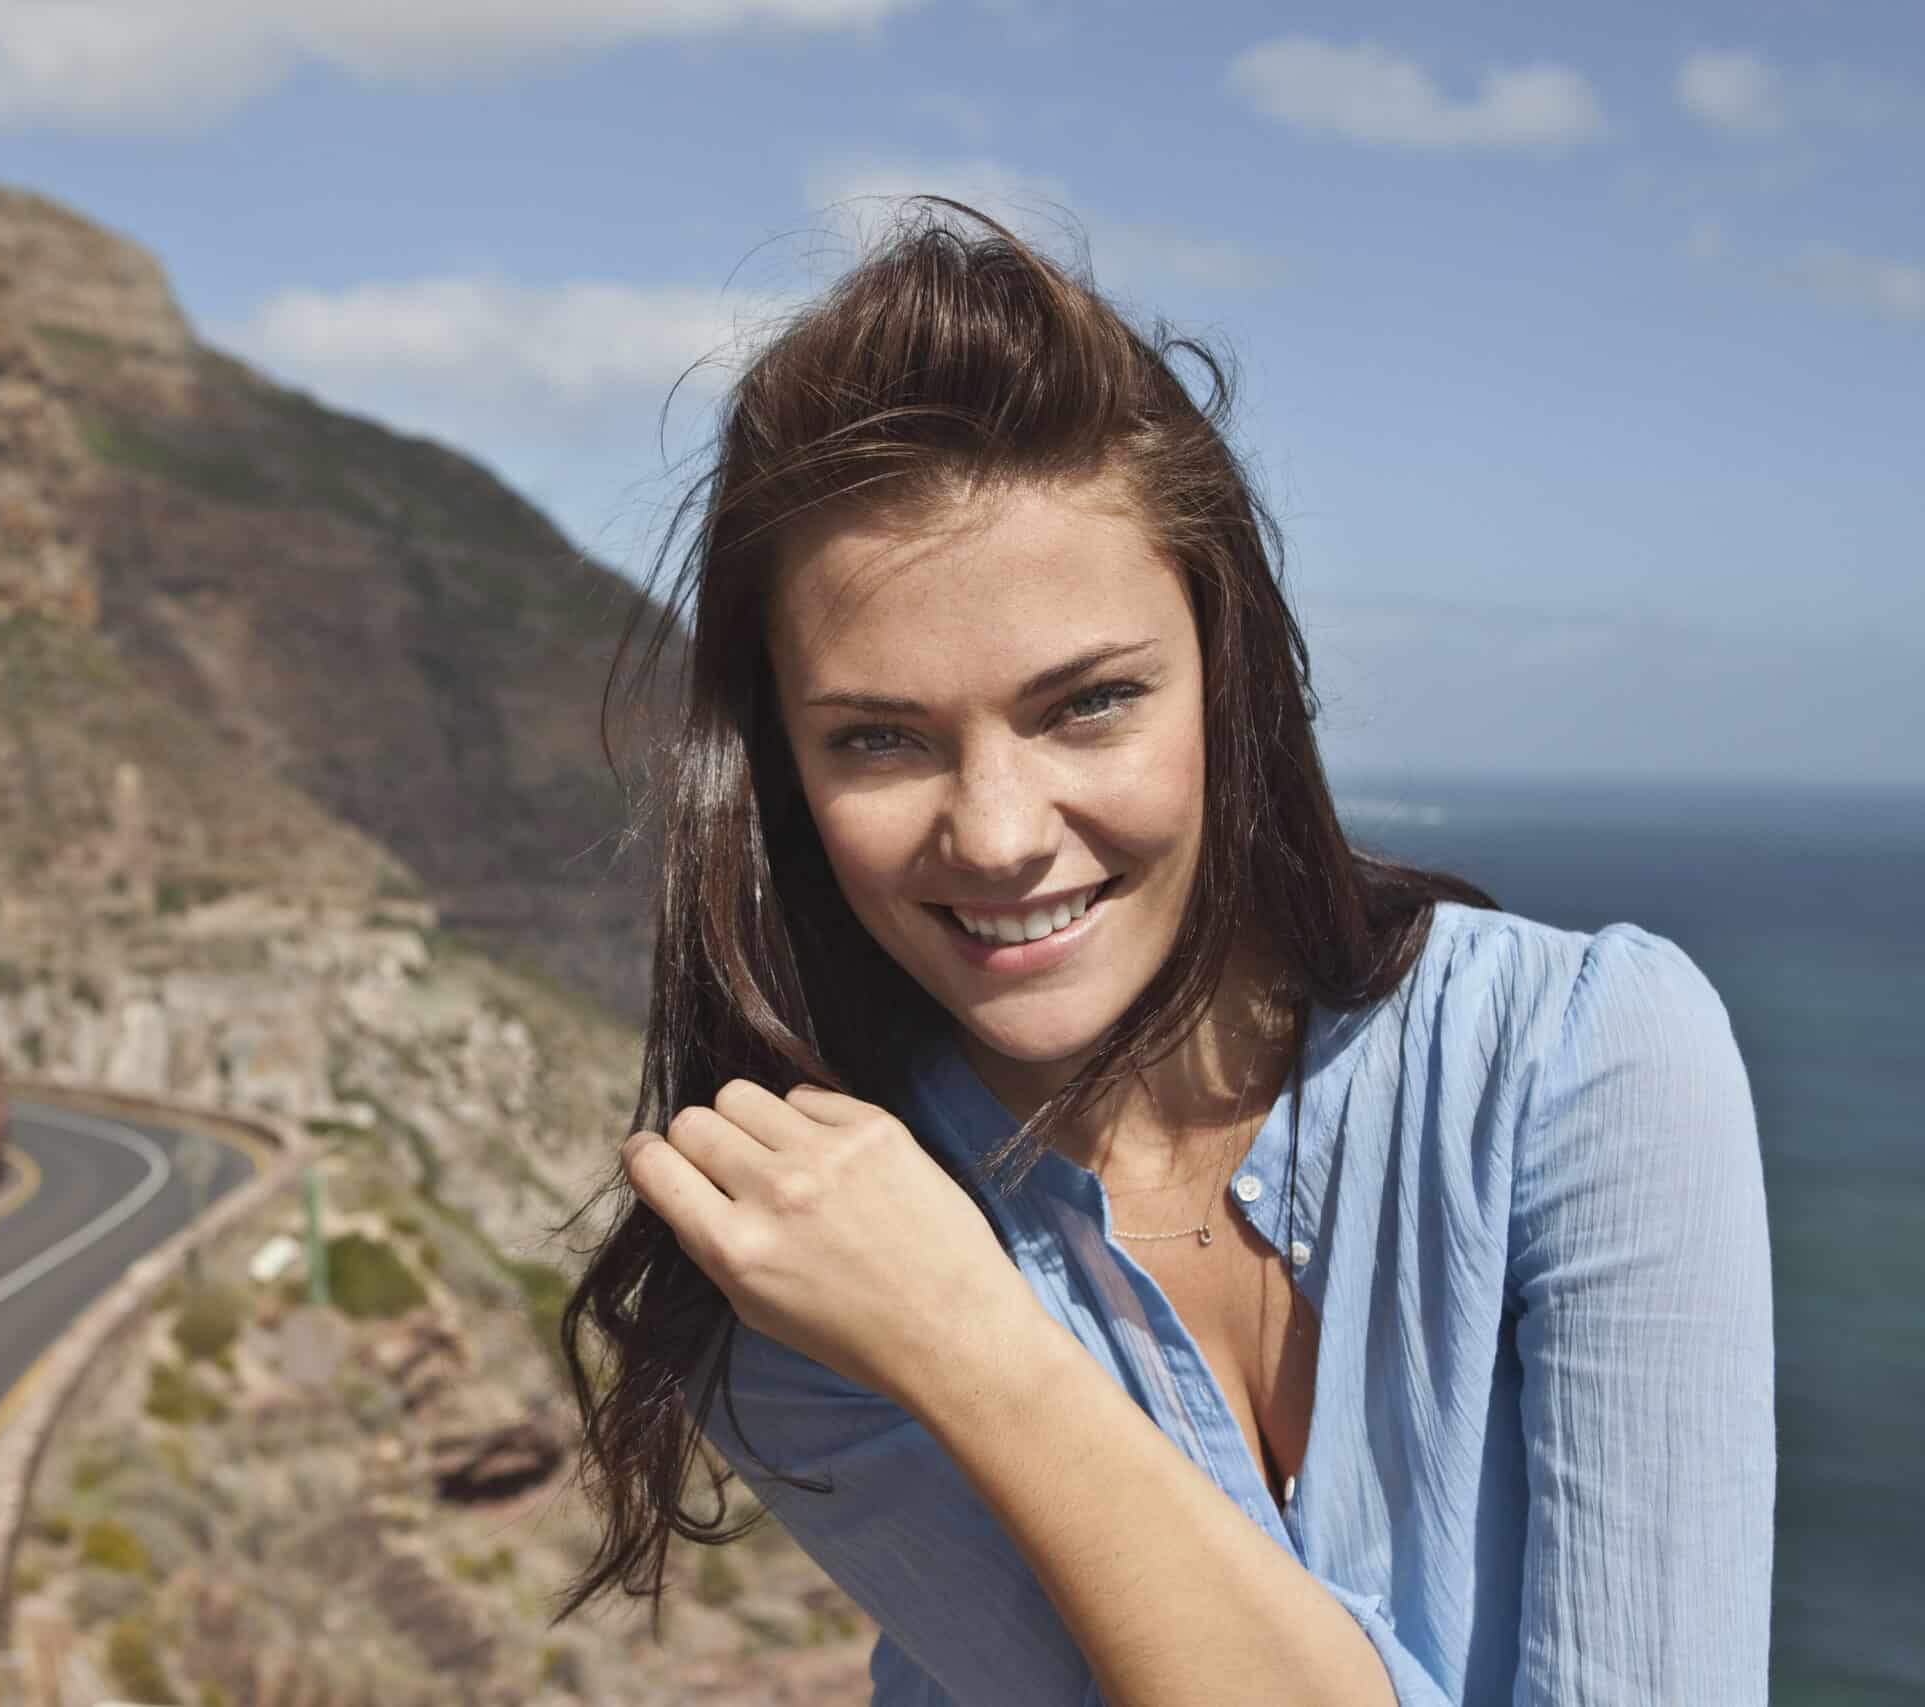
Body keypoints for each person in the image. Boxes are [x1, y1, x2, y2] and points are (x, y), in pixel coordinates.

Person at [553, 201, 1776, 1707]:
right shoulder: (808, 1257)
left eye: (1087, 705)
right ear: (781, 778)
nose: (998, 834)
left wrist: (974, 1349)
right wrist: (951, 1337)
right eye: (878, 738)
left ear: (1228, 672)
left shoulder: (1583, 1060)